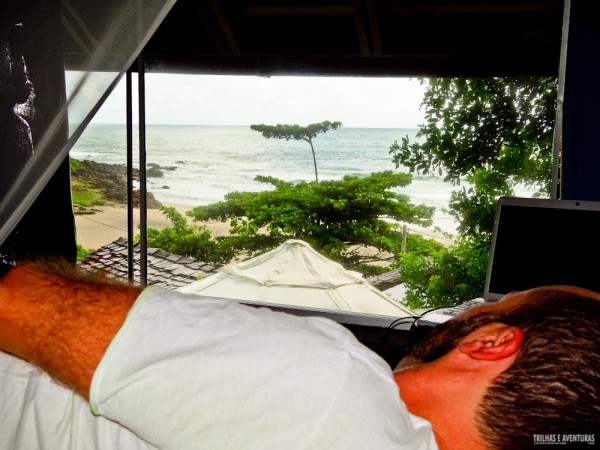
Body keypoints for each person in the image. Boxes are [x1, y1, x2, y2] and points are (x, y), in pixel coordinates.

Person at [0, 262, 599, 449]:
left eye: (487, 307)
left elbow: (16, 301)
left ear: (491, 342)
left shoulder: (335, 392)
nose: (459, 314)